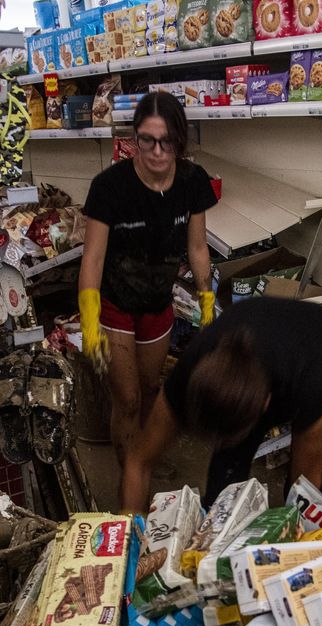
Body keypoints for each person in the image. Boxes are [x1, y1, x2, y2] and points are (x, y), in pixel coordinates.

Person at [78, 92, 218, 470]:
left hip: (158, 301)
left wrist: (208, 306)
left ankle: (145, 454)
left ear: (179, 140)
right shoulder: (109, 187)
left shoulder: (193, 182)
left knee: (152, 388)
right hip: (115, 304)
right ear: (134, 138)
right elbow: (92, 258)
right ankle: (131, 471)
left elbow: (199, 248)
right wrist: (89, 325)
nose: (157, 151)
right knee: (126, 399)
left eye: (166, 141)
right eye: (147, 140)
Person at [122, 297, 322, 512]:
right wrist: (132, 532)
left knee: (297, 498)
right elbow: (138, 461)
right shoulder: (188, 374)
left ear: (265, 403)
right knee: (222, 494)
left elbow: (308, 487)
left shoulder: (305, 384)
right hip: (262, 349)